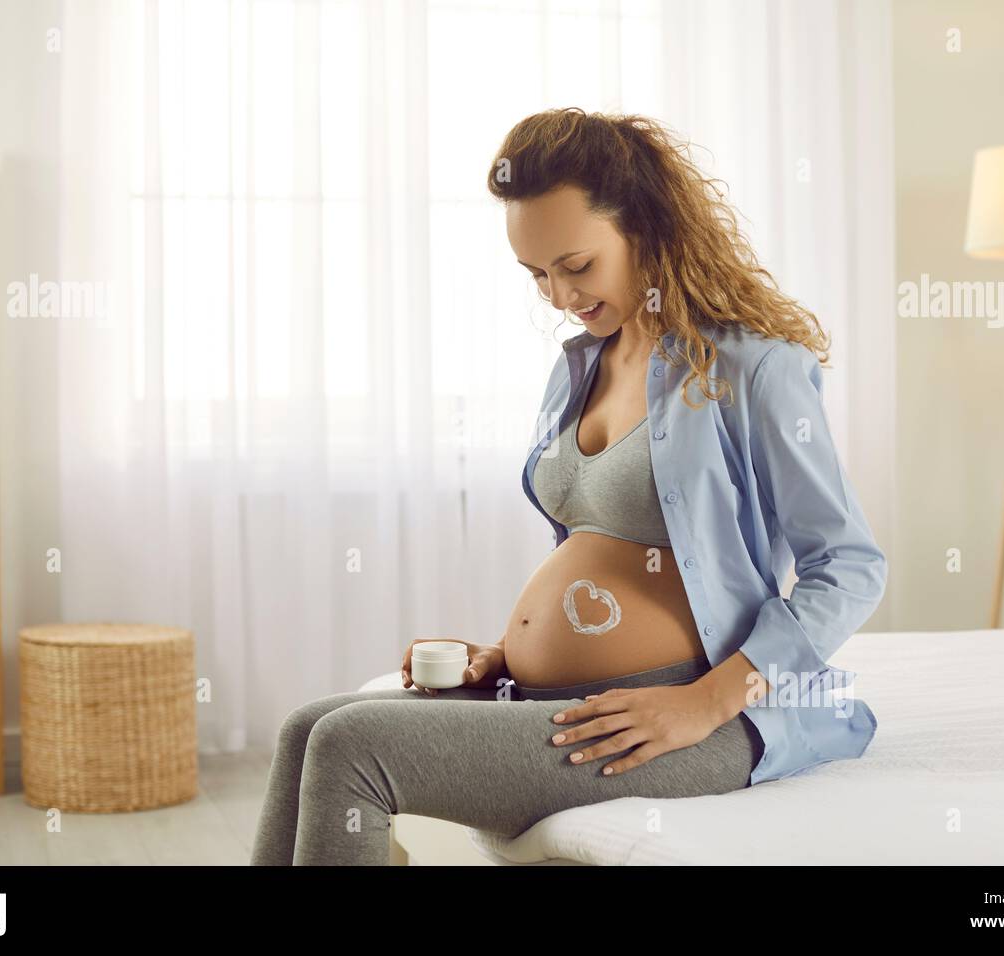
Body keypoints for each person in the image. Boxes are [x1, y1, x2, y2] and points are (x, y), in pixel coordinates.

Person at [251, 108, 887, 866]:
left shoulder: (754, 370)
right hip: (558, 698)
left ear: (648, 228)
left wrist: (705, 702)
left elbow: (849, 567)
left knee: (354, 747)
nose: (558, 295)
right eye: (537, 275)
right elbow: (593, 551)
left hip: (671, 712)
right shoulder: (579, 366)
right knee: (305, 729)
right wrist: (506, 654)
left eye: (576, 266)